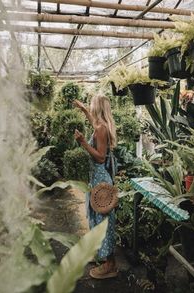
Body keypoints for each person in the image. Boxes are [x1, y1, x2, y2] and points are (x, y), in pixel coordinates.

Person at [73, 95, 117, 279]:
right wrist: (83, 109)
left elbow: (100, 157)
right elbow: (94, 124)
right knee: (96, 220)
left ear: (97, 108)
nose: (90, 108)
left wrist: (83, 143)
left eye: (91, 106)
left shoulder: (101, 129)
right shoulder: (101, 126)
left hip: (100, 180)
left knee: (103, 224)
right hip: (96, 179)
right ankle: (102, 255)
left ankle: (110, 265)